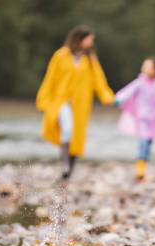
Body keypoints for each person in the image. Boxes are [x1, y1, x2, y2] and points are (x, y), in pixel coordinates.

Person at [36, 25, 115, 180]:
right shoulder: (61, 55)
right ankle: (65, 164)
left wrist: (108, 97)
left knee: (77, 137)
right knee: (67, 129)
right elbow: (50, 78)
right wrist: (44, 99)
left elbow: (99, 80)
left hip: (81, 103)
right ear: (80, 39)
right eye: (89, 39)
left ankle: (69, 170)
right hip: (62, 100)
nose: (91, 42)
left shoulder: (90, 60)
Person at [114, 57, 155, 181]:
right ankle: (140, 170)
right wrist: (118, 99)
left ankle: (143, 164)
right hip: (142, 118)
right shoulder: (140, 82)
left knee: (148, 143)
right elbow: (128, 91)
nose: (144, 68)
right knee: (143, 142)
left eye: (147, 66)